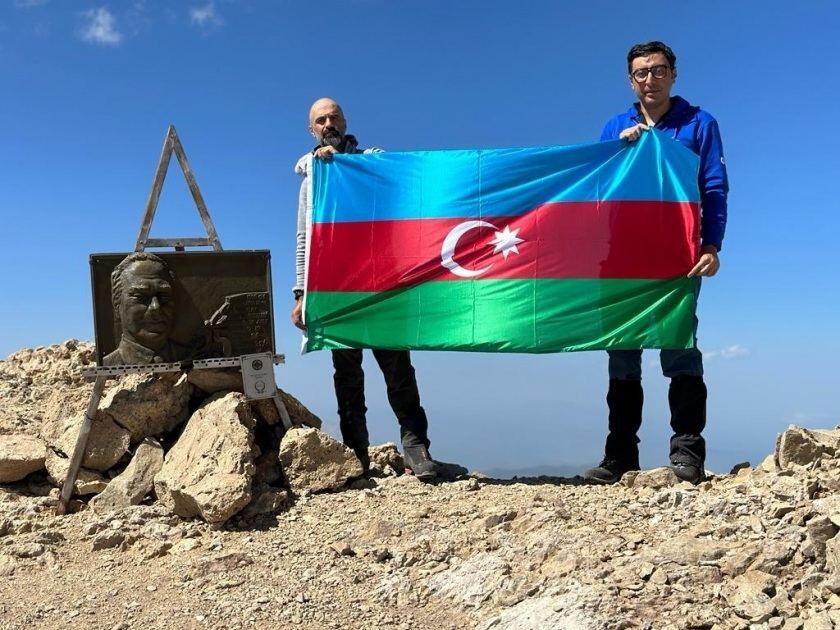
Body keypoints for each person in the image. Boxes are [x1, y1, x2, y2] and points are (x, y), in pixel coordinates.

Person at [583, 41, 729, 485]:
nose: (651, 78)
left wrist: (711, 245)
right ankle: (620, 456)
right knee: (622, 352)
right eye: (641, 72)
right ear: (631, 80)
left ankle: (687, 453)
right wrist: (620, 153)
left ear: (674, 74)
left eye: (659, 69)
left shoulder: (700, 123)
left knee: (679, 346)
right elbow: (596, 188)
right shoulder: (614, 126)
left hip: (677, 256)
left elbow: (715, 186)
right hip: (622, 256)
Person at [291, 97, 439, 480]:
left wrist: (340, 163)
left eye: (334, 117)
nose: (329, 123)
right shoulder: (313, 181)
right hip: (337, 289)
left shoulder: (369, 160)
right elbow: (303, 239)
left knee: (398, 368)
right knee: (347, 374)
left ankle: (416, 449)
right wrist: (300, 293)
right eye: (321, 120)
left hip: (382, 285)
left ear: (345, 121)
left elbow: (391, 168)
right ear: (312, 129)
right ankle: (355, 453)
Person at [103, 252, 180, 365]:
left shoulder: (194, 355)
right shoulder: (108, 365)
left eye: (164, 297)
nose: (156, 307)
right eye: (140, 297)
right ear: (116, 304)